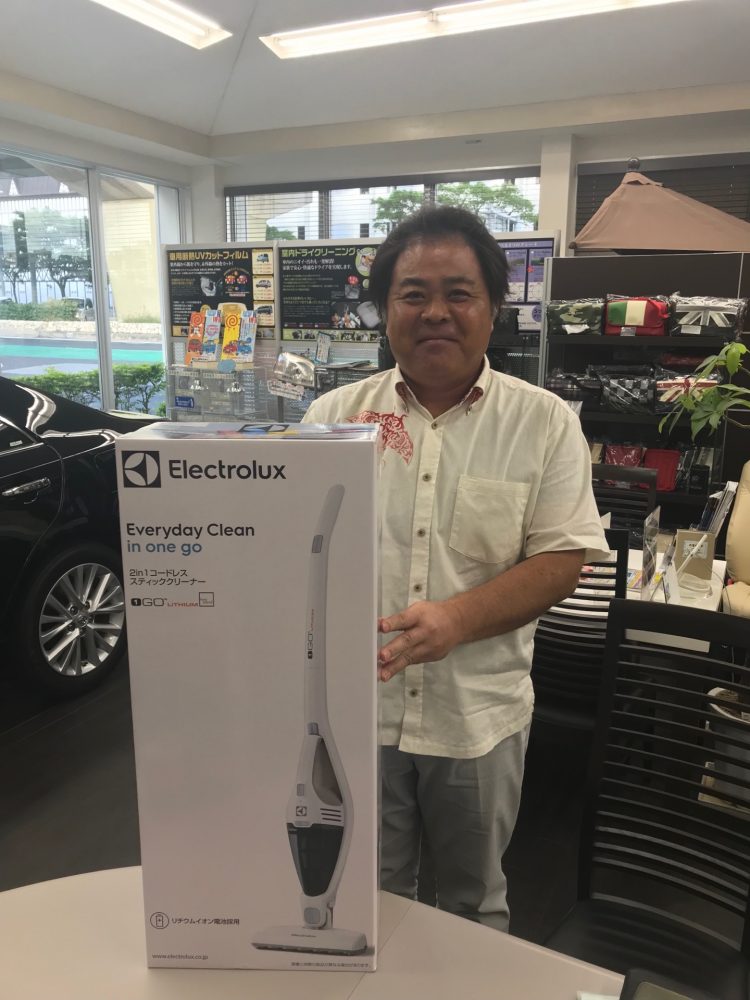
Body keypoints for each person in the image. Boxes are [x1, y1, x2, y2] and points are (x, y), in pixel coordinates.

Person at [302, 206, 608, 932]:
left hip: (477, 716)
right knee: (369, 899)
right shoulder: (331, 420)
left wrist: (456, 620)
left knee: (474, 902)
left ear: (494, 308)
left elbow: (562, 560)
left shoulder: (544, 422)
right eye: (413, 294)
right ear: (384, 311)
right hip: (356, 712)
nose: (435, 312)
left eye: (459, 293)